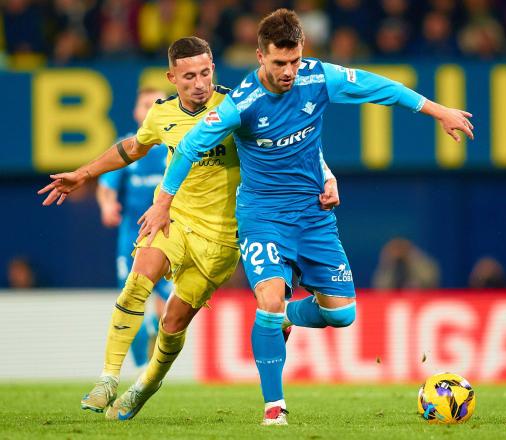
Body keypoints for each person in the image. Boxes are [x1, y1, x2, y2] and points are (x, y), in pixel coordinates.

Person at [139, 9, 474, 425]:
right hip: (262, 217)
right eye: (280, 63)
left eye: (295, 60)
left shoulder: (318, 77)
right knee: (269, 297)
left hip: (313, 216)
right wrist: (164, 202)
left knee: (341, 314)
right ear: (260, 56)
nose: (290, 71)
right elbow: (189, 147)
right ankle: (274, 407)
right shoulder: (242, 103)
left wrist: (437, 110)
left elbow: (376, 87)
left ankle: (283, 316)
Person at [38, 35, 339, 421]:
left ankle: (145, 384)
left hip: (224, 240)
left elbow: (294, 142)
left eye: (205, 73)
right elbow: (131, 148)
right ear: (172, 77)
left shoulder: (238, 104)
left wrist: (327, 177)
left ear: (214, 69)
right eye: (189, 77)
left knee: (174, 321)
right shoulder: (161, 115)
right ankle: (108, 378)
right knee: (139, 279)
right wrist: (83, 173)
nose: (199, 84)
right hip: (175, 220)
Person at [96, 87, 173, 371]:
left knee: (169, 301)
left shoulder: (175, 144)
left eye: (158, 104)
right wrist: (107, 205)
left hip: (168, 236)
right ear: (136, 112)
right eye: (146, 105)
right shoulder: (128, 146)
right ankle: (142, 364)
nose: (152, 110)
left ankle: (153, 361)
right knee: (129, 301)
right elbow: (106, 187)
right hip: (132, 237)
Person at [372, 237, 441, 290]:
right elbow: (380, 287)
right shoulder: (388, 267)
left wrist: (412, 259)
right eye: (395, 250)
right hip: (394, 300)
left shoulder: (421, 264)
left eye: (401, 249)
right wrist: (388, 263)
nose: (399, 253)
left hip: (421, 297)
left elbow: (429, 281)